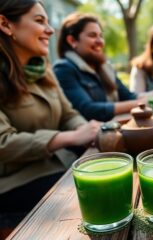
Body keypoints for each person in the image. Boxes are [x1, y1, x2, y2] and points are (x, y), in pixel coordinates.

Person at [0, 0, 101, 230]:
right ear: (5, 24)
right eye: (39, 21)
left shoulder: (41, 68)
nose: (51, 29)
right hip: (14, 183)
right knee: (94, 191)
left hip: (56, 165)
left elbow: (68, 114)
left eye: (47, 21)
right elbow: (3, 143)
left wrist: (91, 131)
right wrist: (67, 138)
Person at [54, 12, 141, 122]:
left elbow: (128, 96)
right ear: (72, 41)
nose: (100, 42)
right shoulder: (63, 69)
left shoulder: (105, 68)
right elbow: (88, 110)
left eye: (100, 36)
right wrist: (139, 104)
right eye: (92, 35)